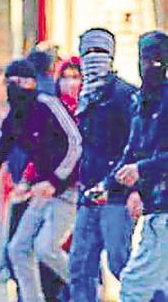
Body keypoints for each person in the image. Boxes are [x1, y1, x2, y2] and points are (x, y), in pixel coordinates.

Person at [0, 59, 81, 302]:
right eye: (9, 82)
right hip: (41, 193)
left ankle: (85, 290)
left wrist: (55, 181)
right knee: (18, 249)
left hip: (67, 189)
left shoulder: (48, 106)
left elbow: (75, 144)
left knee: (47, 249)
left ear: (33, 83)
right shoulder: (15, 116)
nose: (15, 87)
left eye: (20, 82)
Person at [68, 28, 141, 302]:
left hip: (116, 194)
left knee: (120, 262)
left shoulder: (124, 95)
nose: (93, 59)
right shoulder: (85, 96)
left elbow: (136, 146)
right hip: (89, 194)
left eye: (100, 52)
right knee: (79, 266)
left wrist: (130, 188)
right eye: (88, 52)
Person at [105, 31, 167, 302]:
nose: (150, 65)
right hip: (155, 205)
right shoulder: (141, 101)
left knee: (134, 286)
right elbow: (133, 149)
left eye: (157, 59)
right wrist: (109, 184)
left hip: (163, 209)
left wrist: (142, 170)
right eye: (145, 58)